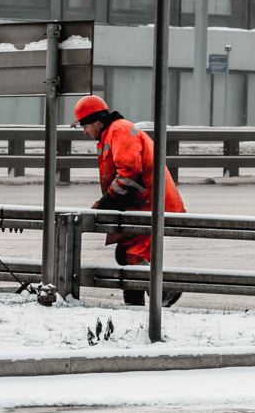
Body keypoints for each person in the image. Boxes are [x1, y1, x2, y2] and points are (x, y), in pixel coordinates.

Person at [74, 94, 184, 307]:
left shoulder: (118, 131)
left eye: (85, 126)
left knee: (130, 253)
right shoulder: (111, 133)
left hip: (146, 203)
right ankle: (136, 304)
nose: (85, 132)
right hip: (142, 202)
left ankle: (165, 289)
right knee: (127, 254)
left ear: (96, 120)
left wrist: (106, 202)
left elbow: (129, 173)